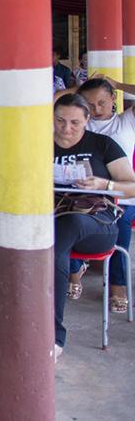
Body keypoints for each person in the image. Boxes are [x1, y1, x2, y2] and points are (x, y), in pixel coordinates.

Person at [50, 93, 135, 356]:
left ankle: (53, 335)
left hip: (98, 224)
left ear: (87, 120)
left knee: (68, 227)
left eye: (75, 122)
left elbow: (132, 186)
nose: (66, 129)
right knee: (58, 237)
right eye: (60, 121)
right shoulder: (40, 144)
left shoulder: (102, 144)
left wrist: (105, 185)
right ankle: (49, 332)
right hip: (52, 219)